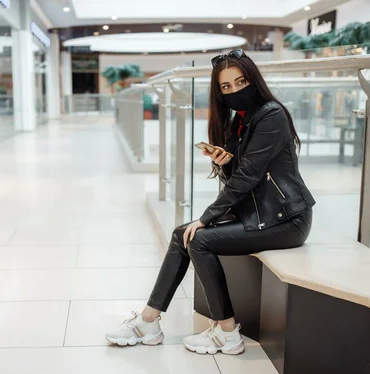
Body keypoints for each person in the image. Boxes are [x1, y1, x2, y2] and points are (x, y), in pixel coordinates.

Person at [105, 49, 316, 355]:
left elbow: (248, 179)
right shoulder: (238, 122)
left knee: (198, 239)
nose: (234, 91)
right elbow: (241, 177)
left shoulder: (271, 115)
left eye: (240, 81)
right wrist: (226, 163)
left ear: (253, 80)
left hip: (287, 219)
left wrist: (205, 218)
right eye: (226, 87)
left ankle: (227, 333)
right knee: (182, 234)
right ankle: (149, 321)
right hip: (260, 215)